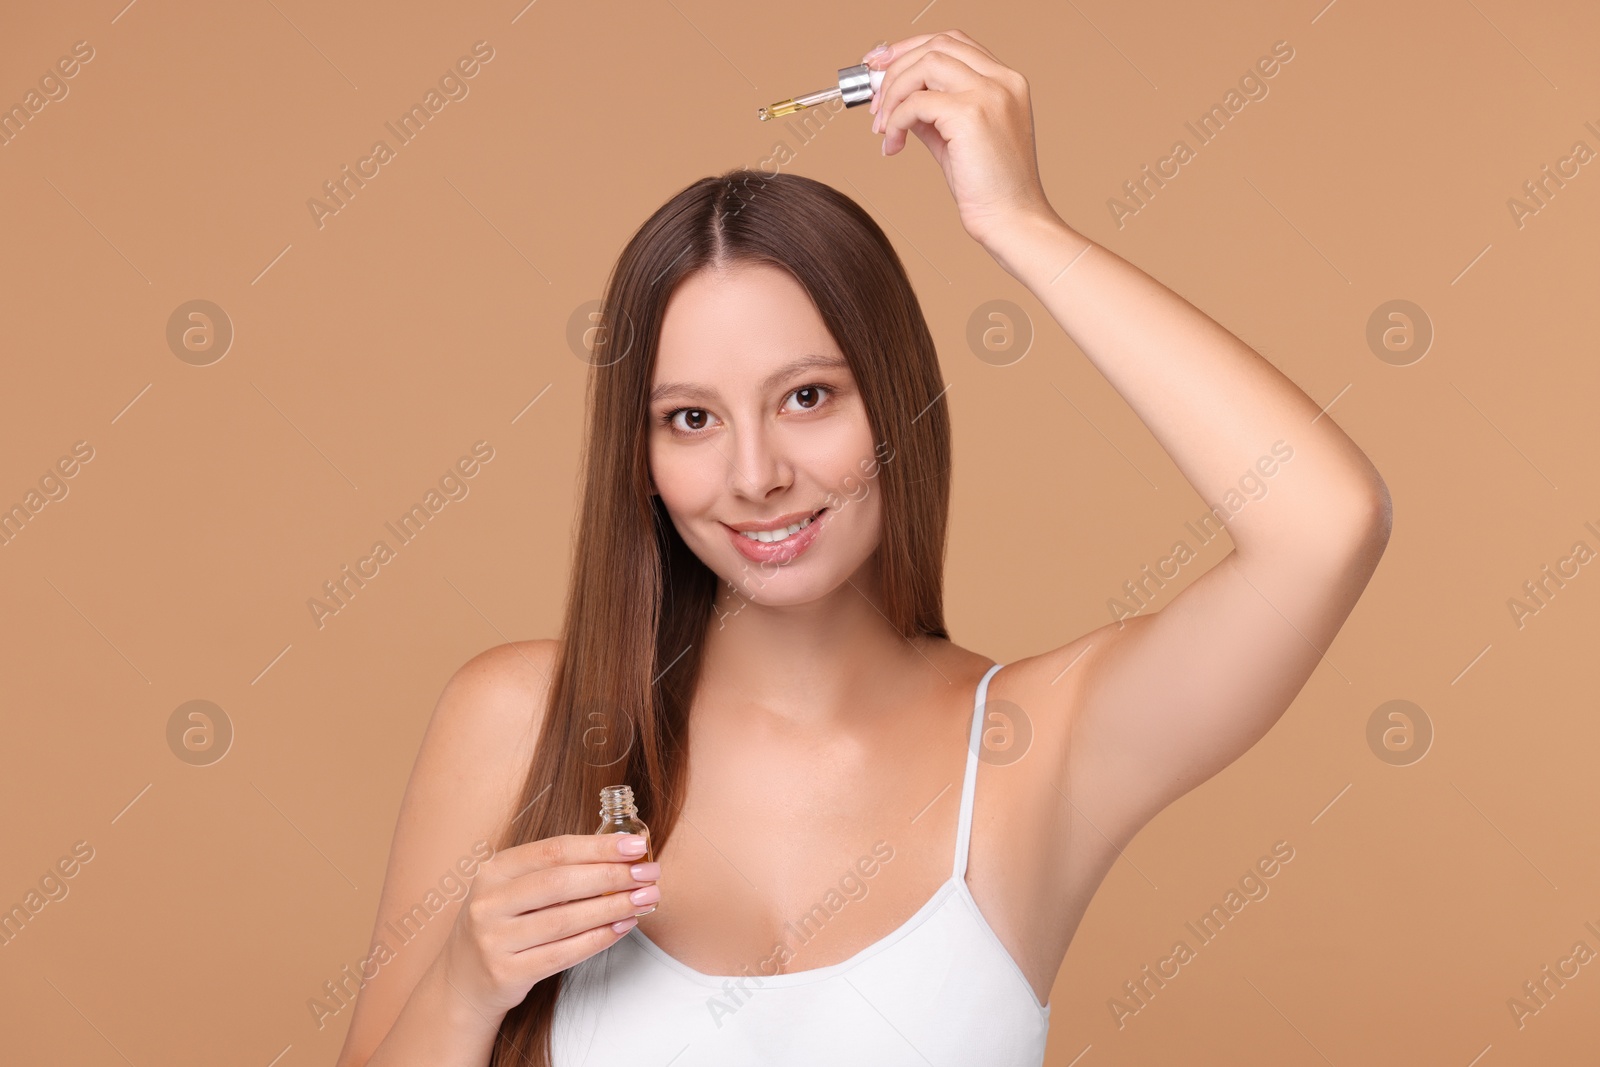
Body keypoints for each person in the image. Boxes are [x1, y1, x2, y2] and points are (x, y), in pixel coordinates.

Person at [337, 28, 1391, 1067]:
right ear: (640, 456)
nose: (755, 474)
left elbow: (1323, 523)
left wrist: (1019, 222)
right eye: (691, 419)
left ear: (895, 401)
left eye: (806, 396)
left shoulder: (1032, 749)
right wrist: (466, 984)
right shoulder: (521, 718)